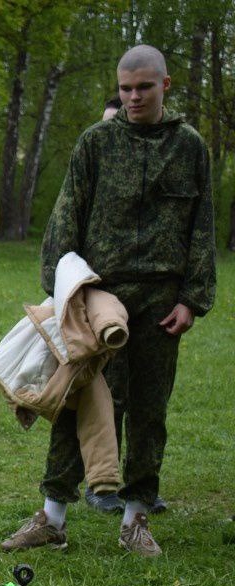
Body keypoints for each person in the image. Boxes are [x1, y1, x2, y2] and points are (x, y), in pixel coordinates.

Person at [0, 45, 215, 558]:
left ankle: (136, 516)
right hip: (101, 296)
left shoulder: (189, 148)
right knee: (78, 400)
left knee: (148, 409)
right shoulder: (96, 143)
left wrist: (192, 299)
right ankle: (53, 516)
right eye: (125, 88)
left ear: (165, 85)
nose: (134, 96)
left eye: (144, 87)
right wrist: (62, 289)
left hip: (161, 302)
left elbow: (202, 226)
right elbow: (65, 216)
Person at [85, 93, 168, 516]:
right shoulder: (93, 157)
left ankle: (142, 487)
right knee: (107, 394)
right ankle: (101, 484)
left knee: (146, 400)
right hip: (103, 297)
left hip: (151, 300)